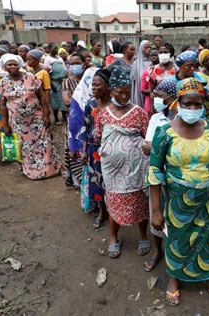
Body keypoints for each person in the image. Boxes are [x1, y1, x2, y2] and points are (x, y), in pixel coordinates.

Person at [148, 78, 209, 306]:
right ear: (177, 102)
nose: (193, 109)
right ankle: (175, 278)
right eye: (188, 104)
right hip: (178, 201)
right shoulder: (164, 132)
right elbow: (155, 173)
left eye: (198, 104)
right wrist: (156, 211)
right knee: (178, 239)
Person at [95, 65, 150, 259]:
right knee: (114, 202)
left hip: (134, 170)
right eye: (120, 92)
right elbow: (99, 137)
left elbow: (147, 136)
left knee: (139, 203)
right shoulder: (103, 113)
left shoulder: (139, 113)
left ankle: (143, 236)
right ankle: (113, 238)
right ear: (111, 91)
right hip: (112, 171)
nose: (125, 96)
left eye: (128, 92)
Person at [0, 54, 61, 180]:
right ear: (5, 67)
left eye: (15, 64)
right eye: (9, 65)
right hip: (18, 123)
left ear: (20, 65)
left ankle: (49, 170)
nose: (12, 67)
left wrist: (47, 115)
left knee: (44, 143)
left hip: (37, 119)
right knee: (25, 147)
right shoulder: (3, 82)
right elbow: (3, 105)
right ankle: (31, 171)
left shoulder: (30, 77)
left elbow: (42, 96)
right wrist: (5, 124)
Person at [142, 79, 177, 272]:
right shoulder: (156, 118)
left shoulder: (180, 118)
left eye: (161, 95)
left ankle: (175, 252)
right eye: (155, 94)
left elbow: (151, 146)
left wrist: (156, 147)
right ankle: (157, 250)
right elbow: (146, 149)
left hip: (177, 175)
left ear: (172, 98)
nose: (155, 98)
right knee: (156, 212)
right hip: (158, 174)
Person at [80, 69, 111, 229]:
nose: (93, 87)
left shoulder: (115, 106)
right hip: (94, 149)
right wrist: (84, 149)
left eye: (97, 85)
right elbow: (85, 127)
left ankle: (114, 210)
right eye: (92, 84)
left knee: (111, 180)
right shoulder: (90, 104)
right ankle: (101, 211)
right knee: (97, 181)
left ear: (107, 86)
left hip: (111, 149)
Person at [62, 53, 88, 188]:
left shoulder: (89, 80)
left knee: (86, 147)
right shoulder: (67, 81)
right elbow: (67, 101)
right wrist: (85, 103)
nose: (74, 66)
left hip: (88, 121)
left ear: (84, 64)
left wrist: (78, 101)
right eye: (71, 63)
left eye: (77, 63)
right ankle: (77, 179)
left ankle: (87, 178)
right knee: (74, 148)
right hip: (73, 120)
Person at [44, 43, 68, 124]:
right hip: (54, 82)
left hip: (62, 81)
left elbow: (64, 68)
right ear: (50, 49)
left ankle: (64, 116)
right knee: (55, 101)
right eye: (54, 48)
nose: (56, 50)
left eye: (57, 48)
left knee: (63, 100)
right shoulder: (48, 59)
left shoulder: (60, 58)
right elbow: (47, 73)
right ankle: (56, 118)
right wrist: (51, 84)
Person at [131, 40, 152, 108]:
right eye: (146, 47)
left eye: (150, 47)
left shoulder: (153, 62)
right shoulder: (136, 64)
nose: (148, 49)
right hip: (139, 92)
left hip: (151, 92)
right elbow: (133, 82)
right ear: (141, 49)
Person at [141, 49, 159, 114]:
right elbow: (142, 90)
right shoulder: (147, 72)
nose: (154, 57)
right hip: (149, 102)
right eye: (152, 55)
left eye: (155, 55)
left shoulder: (165, 71)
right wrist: (153, 90)